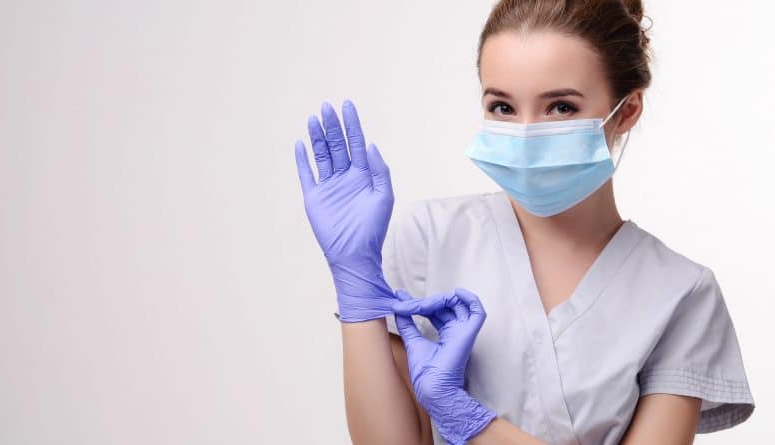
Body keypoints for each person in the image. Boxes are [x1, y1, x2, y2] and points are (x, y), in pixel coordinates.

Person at [293, 0, 755, 444]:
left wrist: (467, 419)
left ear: (627, 110)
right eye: (503, 107)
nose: (527, 132)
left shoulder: (680, 294)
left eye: (561, 108)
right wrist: (355, 284)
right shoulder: (430, 239)